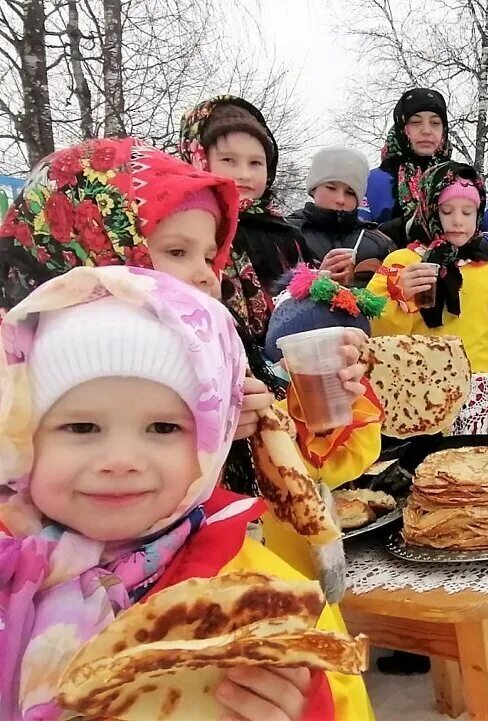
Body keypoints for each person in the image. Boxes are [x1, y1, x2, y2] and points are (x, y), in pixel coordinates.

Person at [0, 265, 374, 721]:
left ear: (211, 443)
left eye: (163, 427)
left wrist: (306, 710)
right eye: (81, 426)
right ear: (19, 438)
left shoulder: (259, 599)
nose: (121, 460)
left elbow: (344, 701)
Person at [0, 137, 376, 507]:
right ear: (90, 248)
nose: (208, 276)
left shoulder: (214, 358)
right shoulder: (18, 383)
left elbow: (296, 486)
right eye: (177, 251)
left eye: (211, 256)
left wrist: (304, 423)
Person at [367, 161, 488, 373]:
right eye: (446, 211)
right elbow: (375, 332)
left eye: (467, 213)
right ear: (429, 211)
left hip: (483, 390)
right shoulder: (401, 263)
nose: (457, 221)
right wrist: (398, 297)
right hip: (420, 391)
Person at [179, 94, 303, 345]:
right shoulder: (188, 229)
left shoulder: (285, 233)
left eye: (256, 162)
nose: (244, 174)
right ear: (199, 158)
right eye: (228, 160)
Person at [358, 88, 488, 265]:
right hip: (389, 283)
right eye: (416, 122)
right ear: (402, 128)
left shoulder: (464, 181)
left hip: (459, 284)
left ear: (444, 129)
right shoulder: (372, 182)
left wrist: (465, 245)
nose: (426, 131)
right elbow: (355, 241)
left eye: (435, 123)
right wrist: (404, 230)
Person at [289, 146, 393, 286]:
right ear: (313, 188)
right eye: (331, 188)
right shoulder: (286, 233)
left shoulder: (379, 243)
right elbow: (271, 293)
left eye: (350, 192)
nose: (340, 199)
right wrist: (316, 280)